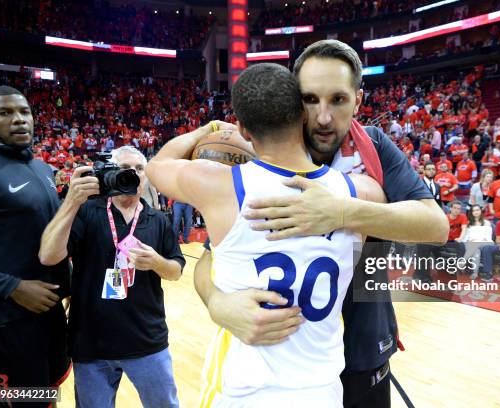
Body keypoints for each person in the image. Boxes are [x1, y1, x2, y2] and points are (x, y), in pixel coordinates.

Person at [192, 40, 448, 408]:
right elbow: (208, 258)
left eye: (338, 100)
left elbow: (435, 226)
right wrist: (217, 303)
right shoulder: (266, 155)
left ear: (358, 101)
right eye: (310, 100)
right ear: (294, 101)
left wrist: (341, 212)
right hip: (281, 366)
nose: (323, 117)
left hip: (361, 353)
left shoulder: (374, 147)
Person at [147, 63, 385, 406]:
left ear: (243, 128)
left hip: (247, 392)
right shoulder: (361, 192)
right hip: (323, 390)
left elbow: (156, 165)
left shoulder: (220, 185)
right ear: (303, 115)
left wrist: (207, 130)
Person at [39, 145, 185, 408]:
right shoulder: (87, 212)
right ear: (109, 174)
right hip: (91, 345)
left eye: (139, 169)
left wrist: (157, 262)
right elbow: (49, 256)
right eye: (125, 169)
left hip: (147, 342)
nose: (133, 174)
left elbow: (176, 270)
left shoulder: (158, 220)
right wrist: (72, 201)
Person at [0, 86, 70, 408]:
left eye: (24, 112)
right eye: (4, 113)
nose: (19, 120)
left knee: (45, 396)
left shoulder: (42, 168)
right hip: (7, 320)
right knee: (17, 402)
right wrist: (12, 287)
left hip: (48, 315)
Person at [459, 205, 494, 279]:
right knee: (476, 250)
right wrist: (469, 240)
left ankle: (463, 261)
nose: (476, 212)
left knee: (475, 245)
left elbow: (487, 237)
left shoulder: (486, 223)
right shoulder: (468, 223)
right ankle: (475, 273)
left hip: (485, 243)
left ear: (481, 211)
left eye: (477, 210)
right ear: (471, 213)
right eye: (474, 210)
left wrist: (476, 240)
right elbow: (465, 237)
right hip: (471, 244)